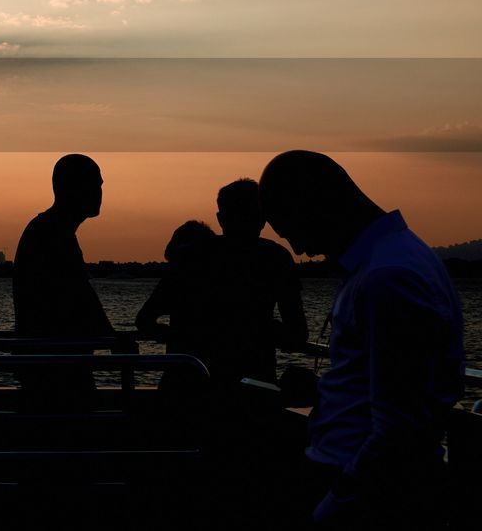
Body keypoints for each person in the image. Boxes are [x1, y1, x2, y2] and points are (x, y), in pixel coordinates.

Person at [260, 151, 463, 529]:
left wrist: (330, 507)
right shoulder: (395, 261)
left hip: (364, 493)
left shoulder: (387, 278)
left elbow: (399, 430)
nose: (300, 249)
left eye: (291, 230)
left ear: (313, 203)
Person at [12, 154, 115, 407]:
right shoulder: (52, 233)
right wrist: (112, 338)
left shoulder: (50, 229)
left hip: (52, 359)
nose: (100, 192)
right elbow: (79, 294)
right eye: (95, 185)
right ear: (73, 188)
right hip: (54, 364)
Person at [213, 178, 308, 382]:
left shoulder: (197, 255)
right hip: (256, 380)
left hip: (197, 382)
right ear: (263, 219)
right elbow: (297, 333)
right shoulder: (277, 258)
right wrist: (261, 328)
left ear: (220, 219)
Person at [134, 220, 221, 395]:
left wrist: (164, 332)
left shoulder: (176, 279)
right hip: (221, 370)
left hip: (182, 369)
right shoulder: (226, 278)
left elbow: (143, 319)